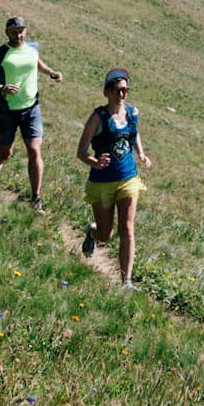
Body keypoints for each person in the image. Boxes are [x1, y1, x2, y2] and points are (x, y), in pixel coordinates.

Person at [0, 15, 62, 206]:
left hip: (31, 108)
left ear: (26, 31)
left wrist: (51, 73)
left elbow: (37, 62)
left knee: (34, 149)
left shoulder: (33, 47)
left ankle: (36, 198)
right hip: (7, 110)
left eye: (21, 32)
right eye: (14, 32)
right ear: (7, 33)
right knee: (6, 153)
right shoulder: (0, 54)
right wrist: (0, 88)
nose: (18, 36)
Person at [77, 68, 151, 289]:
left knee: (127, 229)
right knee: (105, 234)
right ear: (107, 92)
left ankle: (126, 281)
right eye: (118, 90)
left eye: (125, 90)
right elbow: (81, 152)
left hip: (128, 178)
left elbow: (134, 133)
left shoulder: (132, 113)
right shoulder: (98, 117)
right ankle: (92, 233)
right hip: (101, 182)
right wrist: (95, 162)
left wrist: (141, 153)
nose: (122, 95)